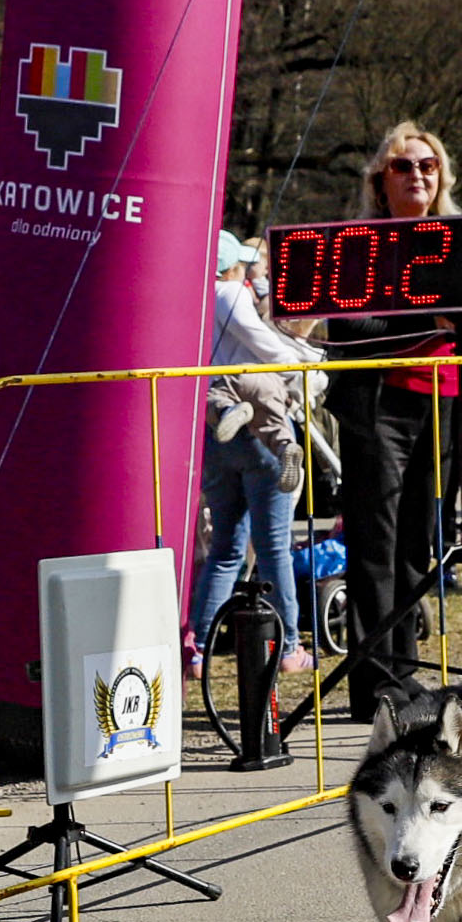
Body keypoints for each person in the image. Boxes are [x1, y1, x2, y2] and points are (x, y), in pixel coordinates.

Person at [325, 122, 462, 720]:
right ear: (381, 179)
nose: (417, 175)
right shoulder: (359, 242)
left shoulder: (454, 239)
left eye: (427, 166)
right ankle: (374, 684)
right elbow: (347, 329)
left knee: (417, 544)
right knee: (376, 544)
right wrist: (431, 325)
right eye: (404, 166)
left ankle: (405, 673)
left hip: (442, 400)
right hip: (379, 405)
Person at [188, 231, 321, 678]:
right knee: (272, 548)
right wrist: (310, 364)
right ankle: (289, 647)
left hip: (214, 435)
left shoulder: (185, 299)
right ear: (230, 267)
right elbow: (268, 349)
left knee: (225, 547)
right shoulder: (227, 294)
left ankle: (198, 646)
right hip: (257, 435)